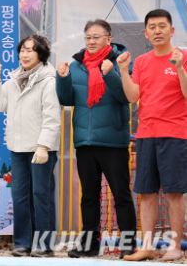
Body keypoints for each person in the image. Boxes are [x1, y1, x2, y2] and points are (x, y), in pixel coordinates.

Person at [55, 19, 137, 258]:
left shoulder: (120, 62)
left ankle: (128, 243)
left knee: (121, 194)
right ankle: (90, 244)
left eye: (96, 37)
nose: (91, 41)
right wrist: (62, 78)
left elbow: (126, 97)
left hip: (113, 141)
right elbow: (67, 100)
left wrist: (110, 73)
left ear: (108, 39)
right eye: (88, 37)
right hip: (84, 141)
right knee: (89, 196)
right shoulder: (77, 66)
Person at [118, 9, 187, 262]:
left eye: (162, 26)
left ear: (172, 30)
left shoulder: (183, 57)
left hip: (175, 134)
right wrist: (124, 71)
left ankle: (175, 246)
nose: (157, 31)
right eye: (152, 27)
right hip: (146, 134)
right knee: (146, 192)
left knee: (174, 193)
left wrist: (179, 68)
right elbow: (133, 97)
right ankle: (146, 246)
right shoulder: (143, 61)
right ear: (146, 33)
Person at [0, 35, 61, 257]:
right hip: (18, 147)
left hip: (40, 149)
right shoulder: (14, 79)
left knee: (41, 194)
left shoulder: (49, 80)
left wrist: (44, 146)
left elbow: (52, 117)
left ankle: (44, 244)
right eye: (22, 50)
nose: (24, 54)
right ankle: (23, 242)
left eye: (31, 50)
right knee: (20, 195)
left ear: (41, 54)